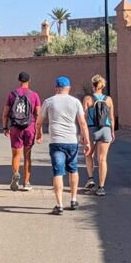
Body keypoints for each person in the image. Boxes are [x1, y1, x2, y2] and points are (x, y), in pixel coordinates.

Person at [35, 77, 91, 215]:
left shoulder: (49, 101)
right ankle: (73, 199)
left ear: (56, 88)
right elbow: (82, 123)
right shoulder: (75, 102)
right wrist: (87, 141)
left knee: (58, 172)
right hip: (71, 141)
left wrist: (38, 133)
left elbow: (39, 121)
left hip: (56, 141)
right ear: (69, 88)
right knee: (73, 169)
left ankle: (59, 204)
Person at [2, 71, 41, 192]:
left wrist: (5, 127)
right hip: (29, 127)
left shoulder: (12, 94)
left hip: (15, 128)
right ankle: (26, 183)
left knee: (16, 155)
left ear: (19, 80)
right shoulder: (34, 95)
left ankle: (16, 174)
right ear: (29, 81)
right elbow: (38, 115)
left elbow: (5, 114)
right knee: (27, 156)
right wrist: (39, 132)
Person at [81, 74, 115, 196]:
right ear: (103, 86)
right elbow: (111, 118)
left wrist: (82, 134)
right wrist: (112, 132)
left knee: (89, 154)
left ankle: (91, 178)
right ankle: (101, 187)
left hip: (92, 129)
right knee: (102, 159)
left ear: (92, 85)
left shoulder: (88, 99)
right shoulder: (108, 99)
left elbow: (83, 118)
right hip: (105, 129)